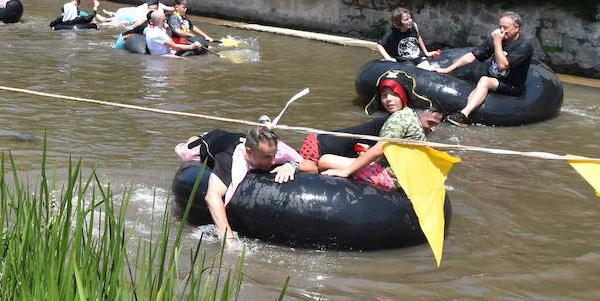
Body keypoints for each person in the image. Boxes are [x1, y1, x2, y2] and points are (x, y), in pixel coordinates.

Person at [174, 126, 316, 244]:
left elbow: (313, 167)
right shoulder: (229, 160)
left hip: (241, 138)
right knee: (189, 149)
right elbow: (212, 197)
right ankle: (198, 137)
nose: (273, 161)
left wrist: (293, 166)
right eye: (267, 157)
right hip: (213, 140)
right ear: (250, 153)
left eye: (274, 155)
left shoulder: (273, 149)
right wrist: (228, 238)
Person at [319, 70, 430, 190]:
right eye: (384, 95)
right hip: (404, 173)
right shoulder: (409, 113)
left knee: (325, 160)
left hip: (395, 178)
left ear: (404, 95)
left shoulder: (399, 118)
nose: (389, 99)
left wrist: (346, 171)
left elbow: (379, 149)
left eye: (395, 94)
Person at [436, 12, 534, 126]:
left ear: (517, 28)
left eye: (505, 28)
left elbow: (503, 66)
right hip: (494, 79)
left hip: (511, 85)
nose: (501, 31)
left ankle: (463, 116)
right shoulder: (496, 39)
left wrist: (497, 42)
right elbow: (472, 56)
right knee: (483, 79)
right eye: (500, 26)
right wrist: (447, 69)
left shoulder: (523, 46)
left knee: (484, 80)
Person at [133, 9, 202, 57]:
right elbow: (175, 47)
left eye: (165, 20)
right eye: (163, 21)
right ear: (156, 21)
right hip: (164, 56)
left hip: (156, 54)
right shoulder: (159, 34)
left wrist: (166, 28)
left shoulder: (148, 29)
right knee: (188, 61)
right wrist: (192, 46)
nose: (165, 22)